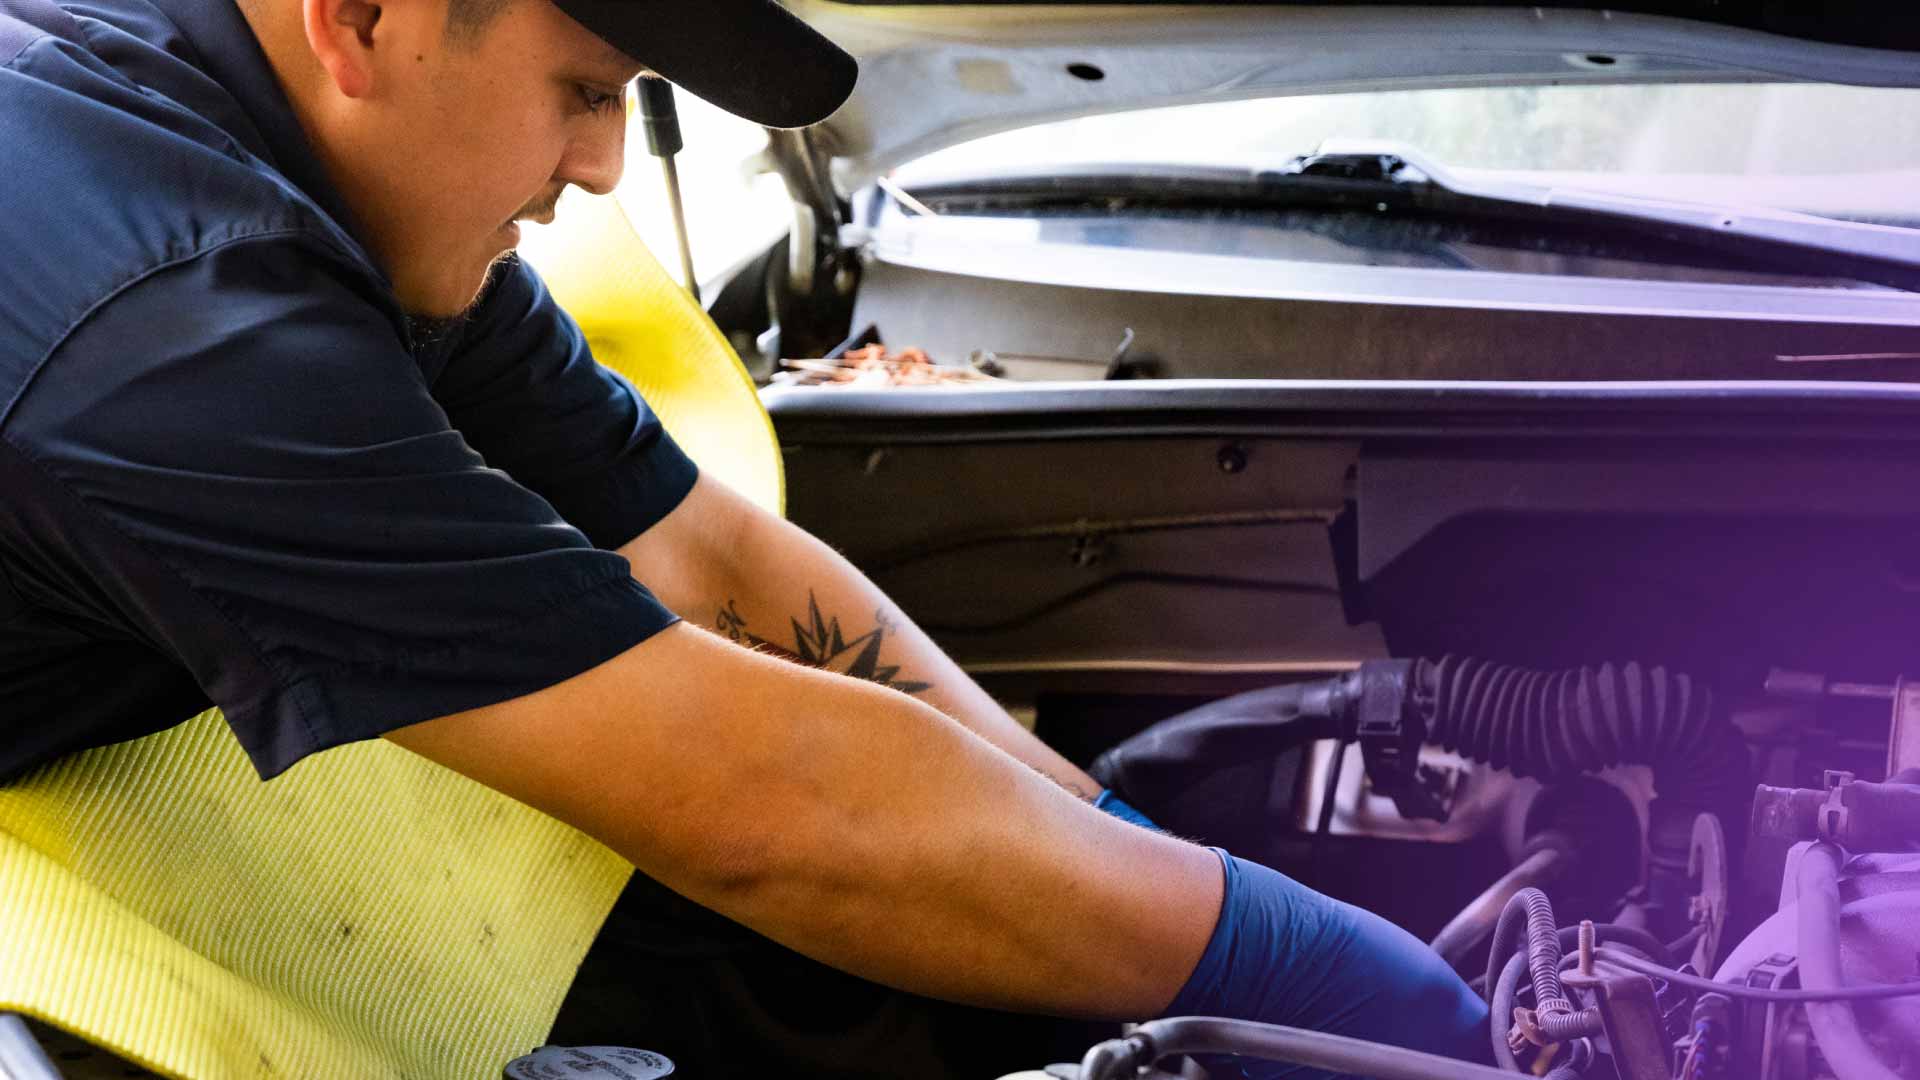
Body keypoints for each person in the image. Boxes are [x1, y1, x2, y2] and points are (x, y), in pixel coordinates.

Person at [0, 0, 1489, 1075]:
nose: (597, 170)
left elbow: (709, 558)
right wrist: (1319, 970)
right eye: (584, 90)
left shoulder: (262, 139)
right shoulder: (177, 337)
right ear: (363, 18)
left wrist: (1113, 837)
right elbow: (772, 811)